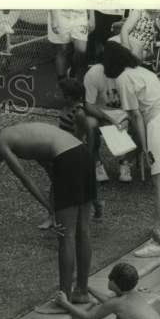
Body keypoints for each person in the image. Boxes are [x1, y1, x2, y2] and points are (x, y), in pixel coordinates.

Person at [0, 123, 93, 304]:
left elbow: (24, 178)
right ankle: (82, 291)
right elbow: (50, 170)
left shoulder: (1, 141)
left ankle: (65, 298)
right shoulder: (25, 137)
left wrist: (50, 208)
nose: (0, 161)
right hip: (83, 153)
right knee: (83, 232)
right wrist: (60, 198)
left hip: (68, 158)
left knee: (66, 235)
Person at [102, 42, 160, 259]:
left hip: (158, 125)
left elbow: (136, 116)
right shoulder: (143, 71)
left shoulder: (122, 78)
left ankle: (159, 240)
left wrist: (145, 147)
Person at [57, 78, 105, 221]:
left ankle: (97, 206)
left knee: (83, 182)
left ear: (69, 96)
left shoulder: (78, 113)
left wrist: (88, 155)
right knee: (78, 181)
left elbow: (90, 133)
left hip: (76, 150)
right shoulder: (65, 108)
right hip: (65, 148)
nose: (60, 96)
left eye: (63, 93)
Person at [82, 59, 136, 184]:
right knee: (90, 124)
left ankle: (125, 162)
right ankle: (96, 163)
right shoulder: (95, 73)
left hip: (125, 114)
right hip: (100, 113)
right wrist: (108, 119)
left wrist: (128, 118)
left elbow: (137, 105)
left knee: (143, 126)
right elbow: (89, 105)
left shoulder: (130, 74)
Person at [48, 10, 93, 79]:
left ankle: (73, 71)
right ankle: (62, 80)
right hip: (60, 14)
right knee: (62, 49)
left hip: (79, 14)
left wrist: (92, 17)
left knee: (81, 49)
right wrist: (54, 18)